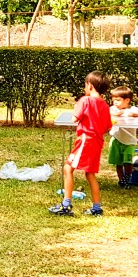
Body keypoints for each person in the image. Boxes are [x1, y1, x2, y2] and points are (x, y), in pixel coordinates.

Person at [50, 71, 113, 216]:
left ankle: (66, 205)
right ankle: (96, 208)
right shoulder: (105, 105)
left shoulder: (85, 100)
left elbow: (74, 118)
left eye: (85, 85)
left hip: (85, 140)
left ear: (90, 86)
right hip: (97, 141)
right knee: (90, 174)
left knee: (68, 169)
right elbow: (107, 127)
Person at [108, 86, 138, 187]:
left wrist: (133, 114)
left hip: (129, 140)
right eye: (114, 100)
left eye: (118, 100)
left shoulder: (132, 109)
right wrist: (115, 113)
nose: (115, 102)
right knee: (118, 162)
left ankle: (127, 178)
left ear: (127, 100)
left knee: (128, 161)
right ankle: (121, 180)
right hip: (116, 139)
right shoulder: (113, 109)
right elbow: (108, 111)